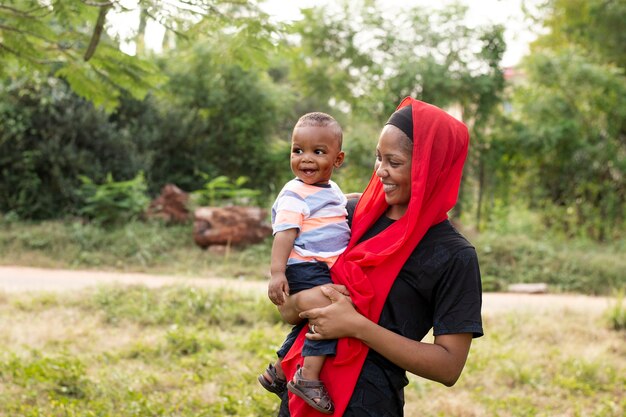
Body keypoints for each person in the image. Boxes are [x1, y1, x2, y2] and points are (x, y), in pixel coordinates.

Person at [275, 97, 484, 416]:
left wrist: (357, 326)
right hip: (301, 395)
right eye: (378, 158)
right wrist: (303, 302)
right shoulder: (348, 216)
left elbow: (448, 367)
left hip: (368, 404)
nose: (381, 172)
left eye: (394, 162)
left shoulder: (453, 255)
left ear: (429, 168)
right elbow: (289, 309)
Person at [258, 112, 351, 414]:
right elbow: (284, 235)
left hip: (320, 267)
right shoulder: (294, 194)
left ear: (337, 160)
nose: (306, 159)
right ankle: (307, 377)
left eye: (318, 152)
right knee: (328, 315)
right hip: (305, 266)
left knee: (313, 316)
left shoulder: (330, 190)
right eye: (298, 150)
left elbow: (339, 206)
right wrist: (276, 273)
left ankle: (279, 371)